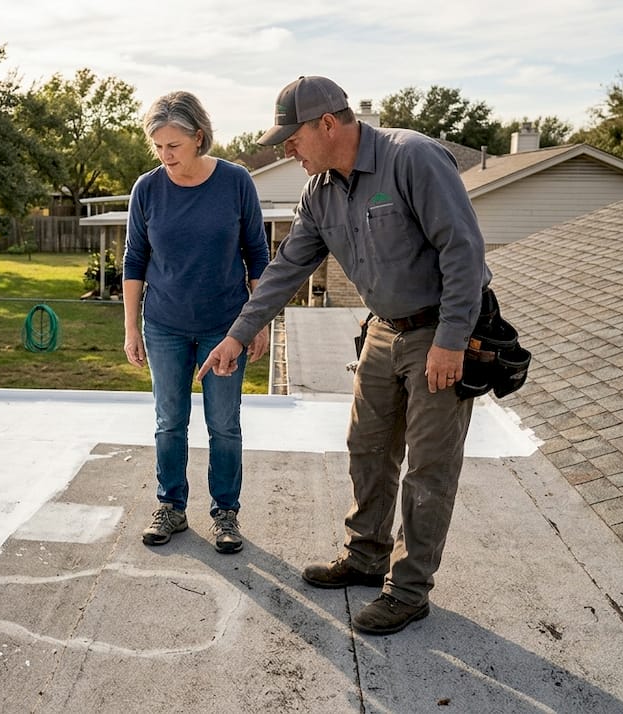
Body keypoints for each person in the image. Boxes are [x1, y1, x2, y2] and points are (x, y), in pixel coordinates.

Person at [198, 76, 492, 633]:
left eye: (292, 137)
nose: (286, 148)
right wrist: (239, 334)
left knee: (429, 469)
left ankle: (408, 590)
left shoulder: (413, 159)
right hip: (382, 329)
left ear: (328, 124)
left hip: (439, 329)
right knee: (368, 447)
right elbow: (287, 268)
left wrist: (453, 339)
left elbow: (464, 251)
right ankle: (365, 556)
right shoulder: (320, 191)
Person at [124, 91, 271, 554]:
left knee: (223, 423)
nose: (165, 156)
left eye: (174, 146)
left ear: (199, 138)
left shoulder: (235, 182)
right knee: (169, 420)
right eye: (158, 147)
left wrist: (257, 323)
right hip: (163, 324)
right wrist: (131, 328)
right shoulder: (147, 189)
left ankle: (225, 513)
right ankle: (171, 506)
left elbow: (258, 254)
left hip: (223, 328)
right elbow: (134, 260)